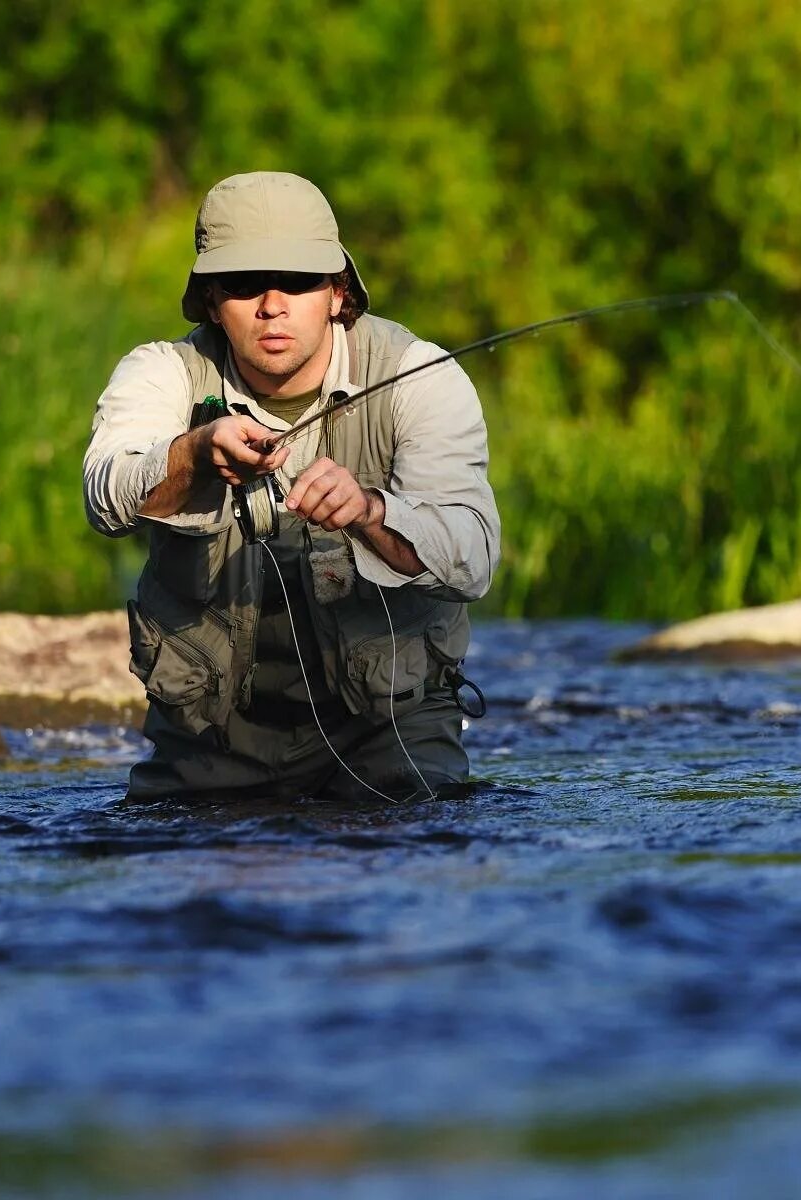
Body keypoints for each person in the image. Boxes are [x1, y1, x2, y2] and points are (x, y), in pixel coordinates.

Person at [84, 171, 500, 802]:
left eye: (299, 281)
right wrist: (194, 456)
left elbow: (472, 558)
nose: (272, 304)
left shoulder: (419, 375)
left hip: (389, 730)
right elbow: (105, 495)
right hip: (209, 740)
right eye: (246, 284)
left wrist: (369, 511)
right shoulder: (162, 374)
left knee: (424, 835)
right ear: (213, 298)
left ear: (337, 293)